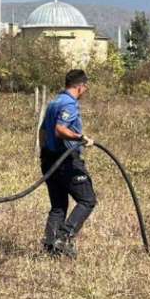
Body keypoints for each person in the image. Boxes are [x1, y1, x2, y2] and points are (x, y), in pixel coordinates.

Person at [38, 70, 97, 258]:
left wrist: (45, 155)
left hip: (49, 161)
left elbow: (42, 131)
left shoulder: (54, 102)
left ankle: (50, 245)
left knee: (58, 206)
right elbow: (59, 129)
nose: (85, 90)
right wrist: (80, 137)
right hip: (66, 161)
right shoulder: (69, 105)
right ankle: (63, 238)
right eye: (85, 87)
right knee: (87, 200)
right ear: (80, 86)